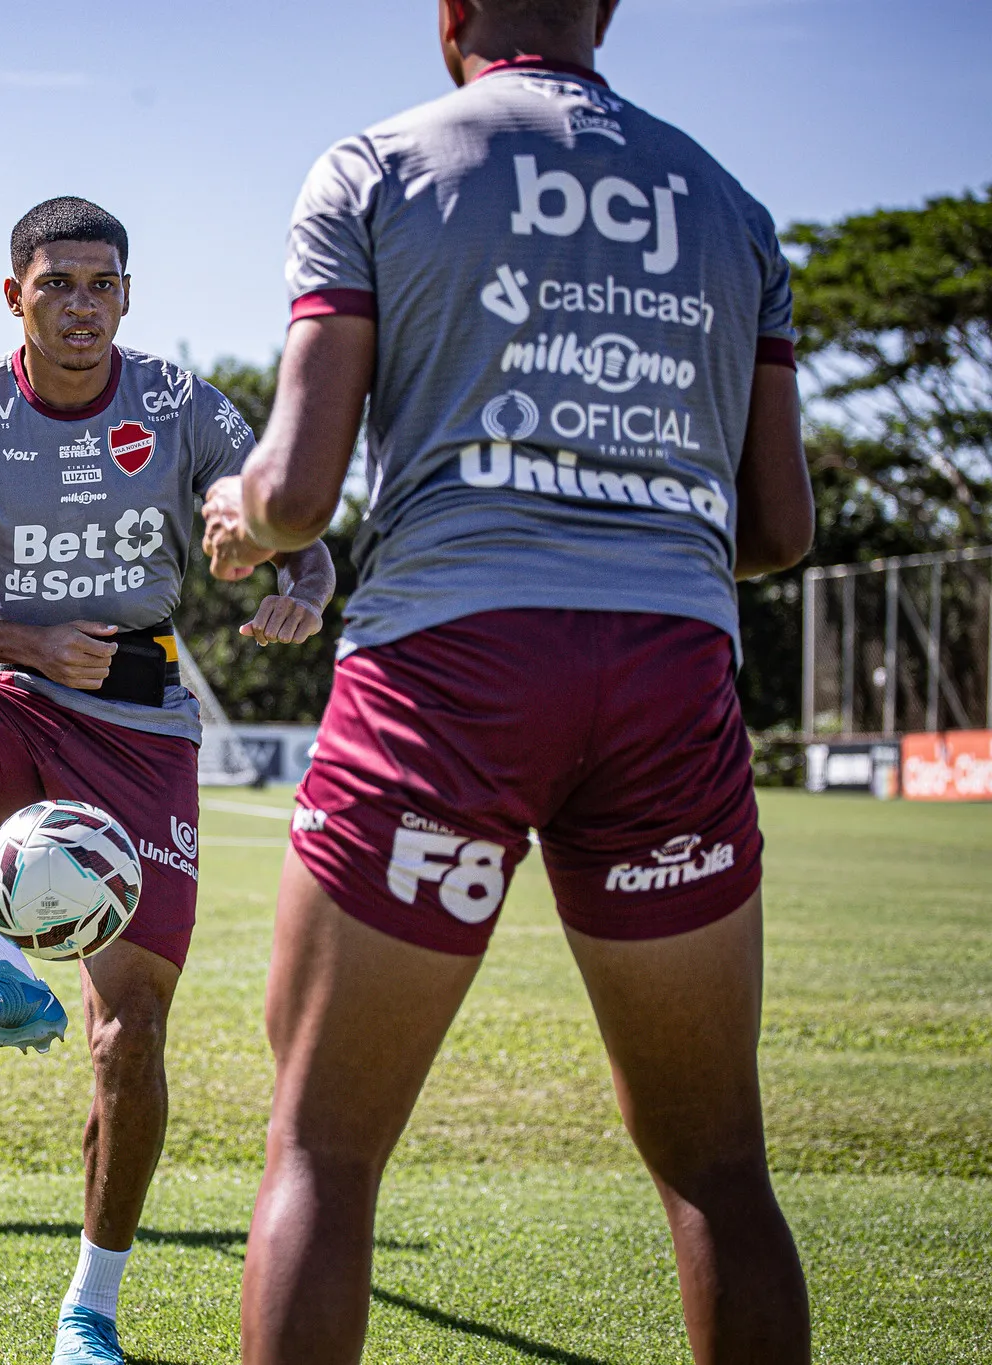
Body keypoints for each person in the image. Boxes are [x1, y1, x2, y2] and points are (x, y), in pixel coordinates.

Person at [202, 2, 817, 1360]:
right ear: (605, 11)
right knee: (719, 1167)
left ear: (451, 14)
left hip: (449, 668)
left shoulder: (375, 165)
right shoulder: (732, 204)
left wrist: (245, 516)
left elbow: (299, 493)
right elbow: (778, 530)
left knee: (324, 1147)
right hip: (671, 675)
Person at [0, 197, 336, 1365]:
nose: (80, 304)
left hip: (140, 732)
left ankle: (88, 1311)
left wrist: (300, 587)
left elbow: (294, 521)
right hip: (9, 700)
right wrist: (26, 647)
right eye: (55, 283)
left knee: (130, 1038)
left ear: (125, 296)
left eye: (100, 284)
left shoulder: (177, 405)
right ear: (14, 296)